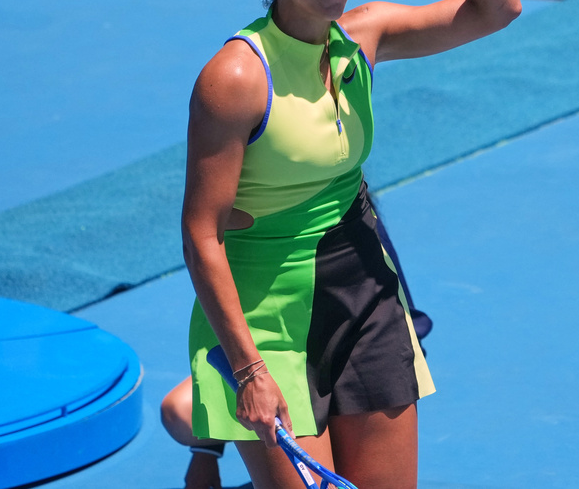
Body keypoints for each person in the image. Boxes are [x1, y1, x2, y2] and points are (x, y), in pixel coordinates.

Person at [181, 0, 520, 489]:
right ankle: (200, 413)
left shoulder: (365, 36)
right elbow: (201, 233)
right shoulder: (235, 78)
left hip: (363, 286)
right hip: (267, 306)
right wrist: (249, 369)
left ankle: (200, 427)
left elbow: (497, 9)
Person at [162, 204, 433, 489]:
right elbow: (202, 236)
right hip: (280, 358)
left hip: (354, 366)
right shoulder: (251, 226)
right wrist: (206, 451)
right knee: (177, 411)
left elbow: (404, 328)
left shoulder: (356, 221)